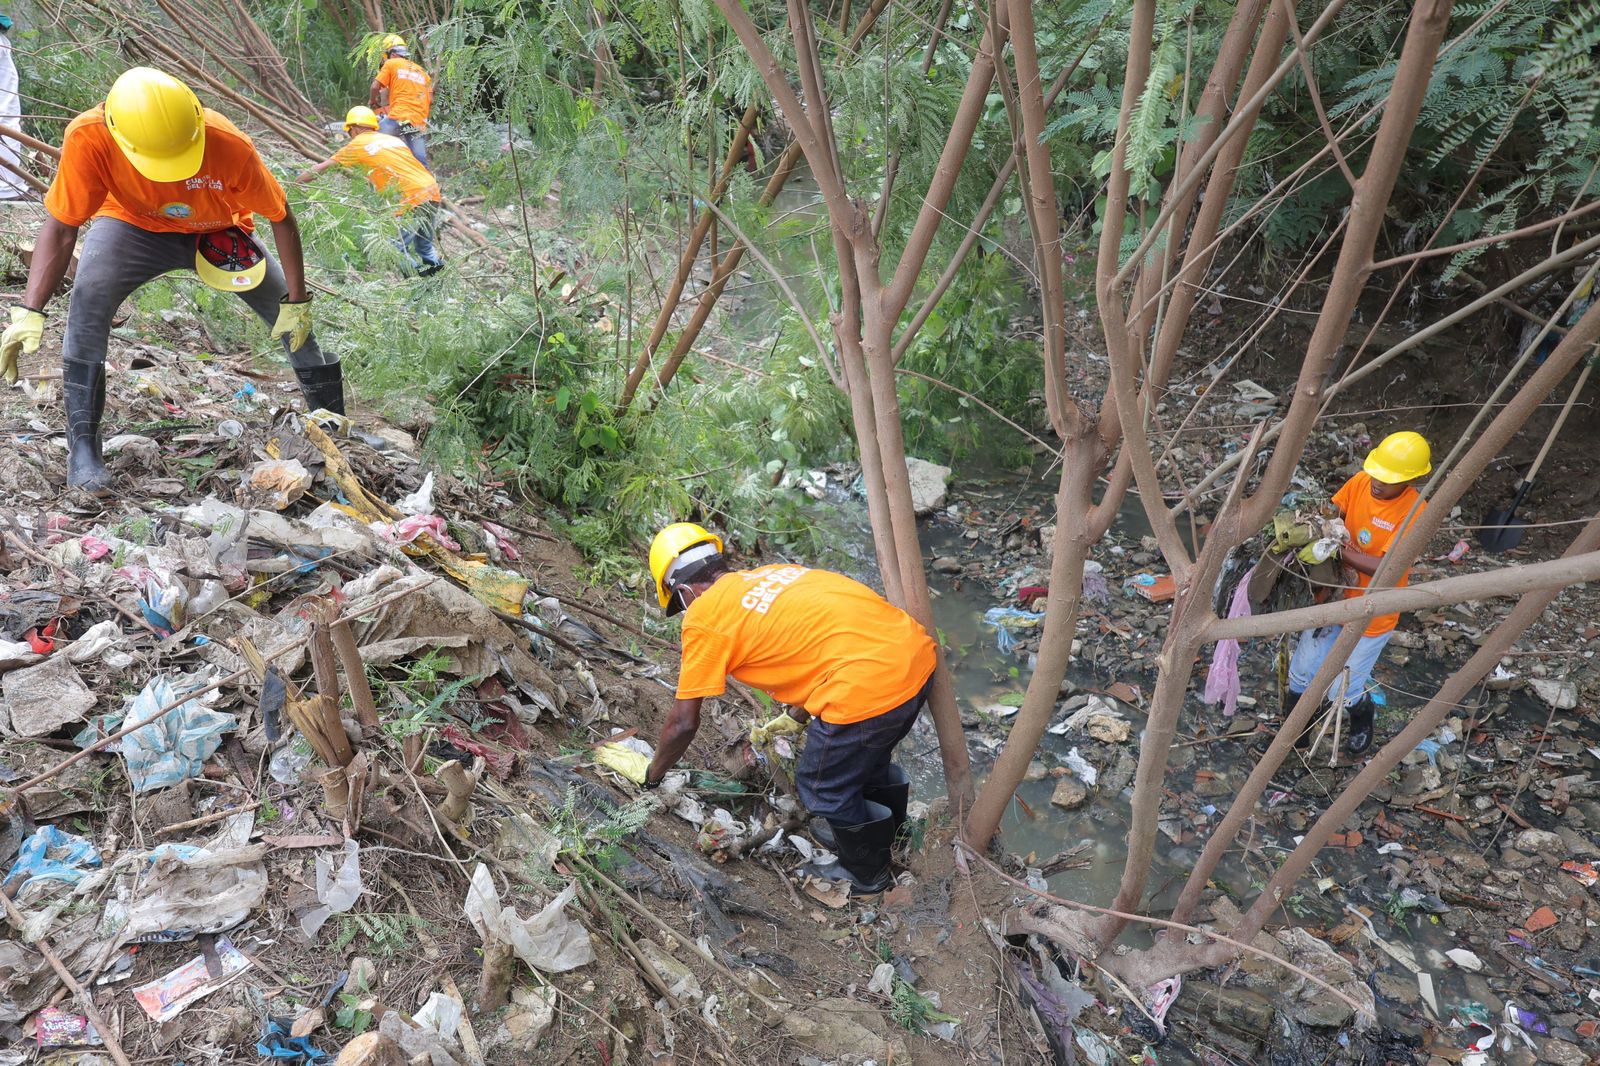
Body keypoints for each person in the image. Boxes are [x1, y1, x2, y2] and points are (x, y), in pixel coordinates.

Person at [0, 66, 341, 496]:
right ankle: (83, 452)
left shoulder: (228, 143)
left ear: (196, 123)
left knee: (290, 319)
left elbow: (280, 217)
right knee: (88, 300)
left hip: (219, 231)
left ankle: (333, 431)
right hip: (131, 225)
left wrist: (298, 299)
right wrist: (30, 310)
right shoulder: (89, 137)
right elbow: (63, 225)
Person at [642, 523, 936, 896]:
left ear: (683, 592)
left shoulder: (705, 617)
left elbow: (683, 723)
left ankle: (867, 871)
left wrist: (653, 776)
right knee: (865, 757)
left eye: (679, 605)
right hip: (914, 658)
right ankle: (887, 833)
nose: (684, 612)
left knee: (821, 782)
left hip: (868, 686)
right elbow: (816, 637)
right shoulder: (771, 575)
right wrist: (796, 714)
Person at [1287, 431, 1432, 755]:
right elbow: (1334, 510)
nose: (1377, 482)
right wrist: (1317, 523)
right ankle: (1294, 737)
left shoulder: (1415, 512)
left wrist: (1338, 550)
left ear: (1412, 480)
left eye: (1388, 479)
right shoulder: (1360, 482)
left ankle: (1362, 712)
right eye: (1376, 473)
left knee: (1344, 686)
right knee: (1303, 671)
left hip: (1373, 611)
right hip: (1334, 595)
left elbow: (1384, 569)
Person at [297, 106, 442, 276]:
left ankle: (421, 280)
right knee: (424, 246)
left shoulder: (357, 144)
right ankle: (439, 280)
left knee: (392, 250)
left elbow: (322, 168)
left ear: (355, 128)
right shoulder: (393, 140)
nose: (349, 135)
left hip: (411, 196)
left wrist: (296, 182)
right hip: (431, 189)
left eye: (349, 131)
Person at [368, 34, 433, 168]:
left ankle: (377, 178)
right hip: (419, 121)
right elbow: (430, 100)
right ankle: (428, 184)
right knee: (420, 162)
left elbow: (375, 86)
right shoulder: (422, 72)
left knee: (372, 144)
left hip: (399, 116)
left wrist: (372, 101)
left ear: (389, 53)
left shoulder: (391, 63)